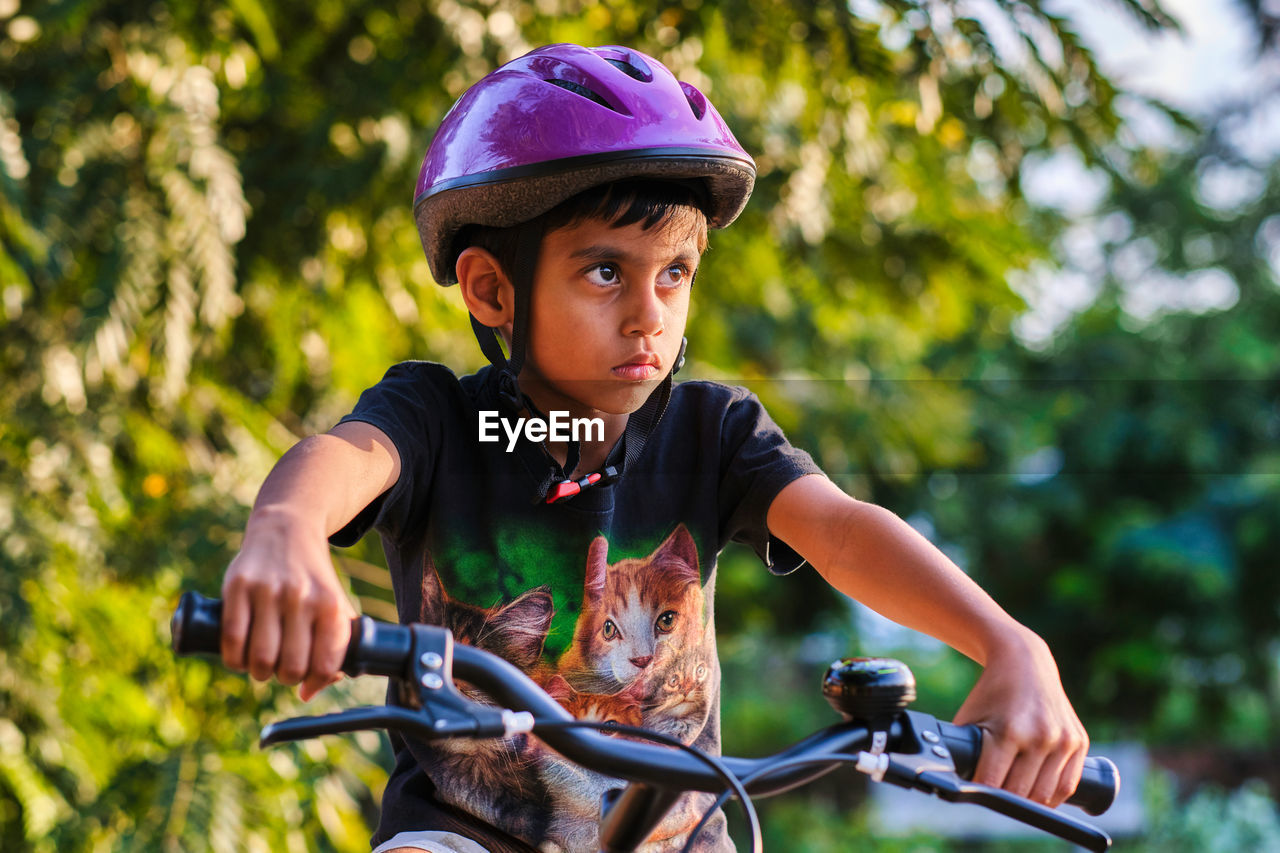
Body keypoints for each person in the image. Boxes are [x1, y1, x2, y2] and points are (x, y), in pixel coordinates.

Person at [219, 43, 1088, 853]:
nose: (650, 314)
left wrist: (1012, 645)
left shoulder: (713, 433)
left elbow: (846, 530)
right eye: (606, 272)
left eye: (674, 273)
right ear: (492, 289)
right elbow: (347, 457)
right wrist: (286, 531)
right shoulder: (440, 419)